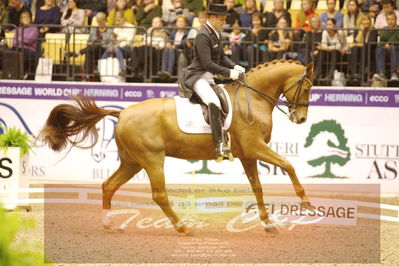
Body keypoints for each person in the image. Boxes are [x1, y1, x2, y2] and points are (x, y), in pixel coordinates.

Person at [180, 0, 245, 160]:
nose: (224, 22)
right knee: (213, 101)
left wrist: (235, 66)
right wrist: (229, 73)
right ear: (214, 17)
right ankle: (219, 144)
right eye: (222, 19)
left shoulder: (215, 33)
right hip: (197, 77)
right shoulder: (203, 35)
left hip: (208, 77)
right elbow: (207, 64)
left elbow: (222, 57)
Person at [66, 12, 114, 80]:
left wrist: (100, 43)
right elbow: (89, 41)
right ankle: (87, 75)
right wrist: (92, 43)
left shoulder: (110, 30)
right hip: (94, 49)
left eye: (101, 21)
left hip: (104, 50)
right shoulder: (94, 29)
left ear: (105, 20)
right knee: (89, 52)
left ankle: (77, 53)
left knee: (96, 46)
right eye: (98, 21)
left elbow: (111, 43)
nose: (99, 23)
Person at [100, 11, 135, 77]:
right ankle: (99, 68)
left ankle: (122, 68)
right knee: (109, 48)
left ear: (124, 18)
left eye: (119, 20)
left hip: (128, 50)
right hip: (117, 49)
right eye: (116, 21)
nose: (117, 22)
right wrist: (113, 45)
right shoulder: (116, 28)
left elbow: (129, 41)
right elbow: (113, 41)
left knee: (116, 48)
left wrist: (118, 43)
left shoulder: (131, 27)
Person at [158, 15, 189, 79]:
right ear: (176, 23)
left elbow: (184, 42)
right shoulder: (174, 32)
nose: (180, 23)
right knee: (166, 50)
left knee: (171, 50)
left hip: (181, 50)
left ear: (185, 23)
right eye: (178, 21)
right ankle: (163, 70)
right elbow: (169, 39)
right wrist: (168, 43)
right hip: (172, 49)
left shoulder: (187, 32)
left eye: (181, 21)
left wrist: (175, 46)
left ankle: (169, 72)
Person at [348, 14, 377, 81]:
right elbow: (356, 41)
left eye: (368, 20)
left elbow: (370, 44)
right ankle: (354, 74)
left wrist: (357, 44)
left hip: (370, 53)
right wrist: (360, 31)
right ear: (360, 22)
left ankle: (360, 74)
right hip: (359, 53)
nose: (367, 22)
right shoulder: (357, 31)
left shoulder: (373, 30)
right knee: (354, 49)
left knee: (363, 48)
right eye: (364, 20)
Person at [11, 10, 39, 77]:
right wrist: (21, 40)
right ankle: (11, 73)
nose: (25, 19)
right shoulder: (18, 29)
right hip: (17, 48)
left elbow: (29, 40)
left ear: (30, 18)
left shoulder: (34, 29)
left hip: (29, 49)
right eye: (23, 17)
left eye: (27, 17)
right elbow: (14, 42)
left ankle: (23, 73)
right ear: (21, 20)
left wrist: (19, 39)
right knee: (7, 52)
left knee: (23, 54)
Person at [373, 12, 399, 81]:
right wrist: (385, 45)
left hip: (397, 51)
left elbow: (397, 40)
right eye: (388, 19)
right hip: (387, 50)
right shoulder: (384, 30)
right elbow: (381, 43)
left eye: (392, 19)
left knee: (394, 48)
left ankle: (394, 73)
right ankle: (381, 73)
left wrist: (389, 43)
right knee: (379, 49)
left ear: (396, 19)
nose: (390, 21)